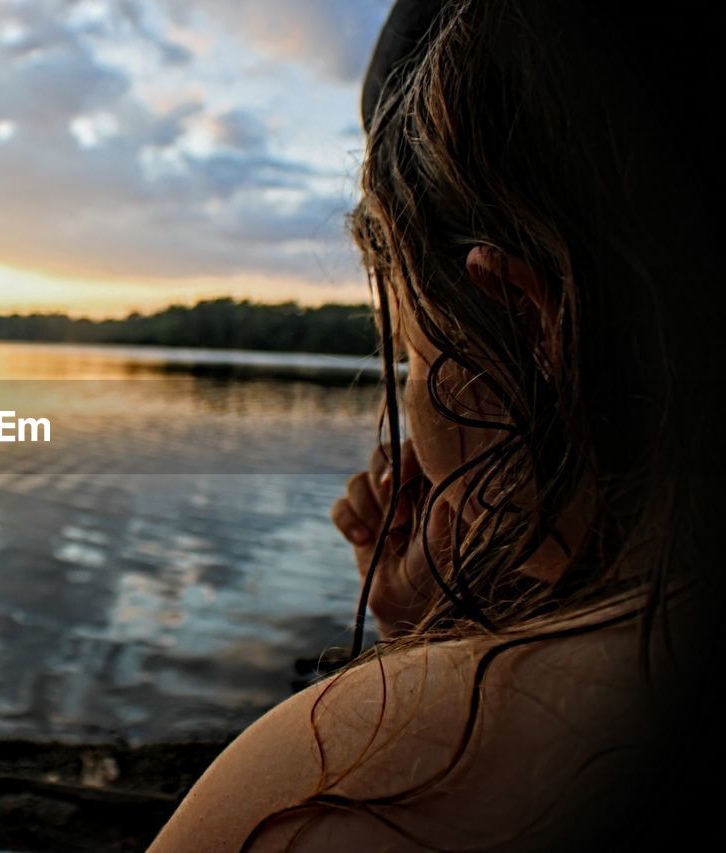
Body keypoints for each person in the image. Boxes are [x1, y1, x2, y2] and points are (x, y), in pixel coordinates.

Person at [149, 1, 723, 850]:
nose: (409, 426)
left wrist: (402, 697)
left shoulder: (342, 779)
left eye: (413, 350)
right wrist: (424, 633)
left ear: (532, 328)